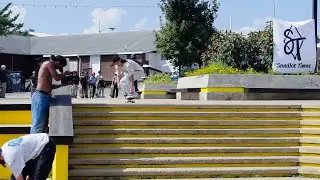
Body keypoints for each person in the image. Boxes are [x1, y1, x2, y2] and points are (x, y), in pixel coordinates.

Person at [31, 55, 70, 134]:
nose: (57, 70)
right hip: (40, 96)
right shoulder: (49, 64)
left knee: (44, 123)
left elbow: (48, 86)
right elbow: (57, 78)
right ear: (57, 62)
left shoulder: (47, 68)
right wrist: (64, 73)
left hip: (44, 96)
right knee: (38, 123)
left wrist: (60, 86)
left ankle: (42, 142)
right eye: (59, 67)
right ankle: (34, 143)